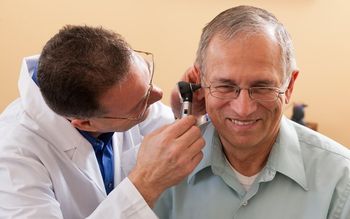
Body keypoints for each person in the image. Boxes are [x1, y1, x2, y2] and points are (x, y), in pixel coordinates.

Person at [155, 5, 350, 218]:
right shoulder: (162, 173)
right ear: (201, 83)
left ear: (289, 86)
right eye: (226, 86)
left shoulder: (341, 181)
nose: (244, 109)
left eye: (263, 87)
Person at [0, 25, 205, 219]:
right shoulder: (13, 158)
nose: (159, 95)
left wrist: (189, 113)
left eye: (148, 79)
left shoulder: (118, 94)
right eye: (141, 104)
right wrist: (146, 185)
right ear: (85, 124)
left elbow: (175, 144)